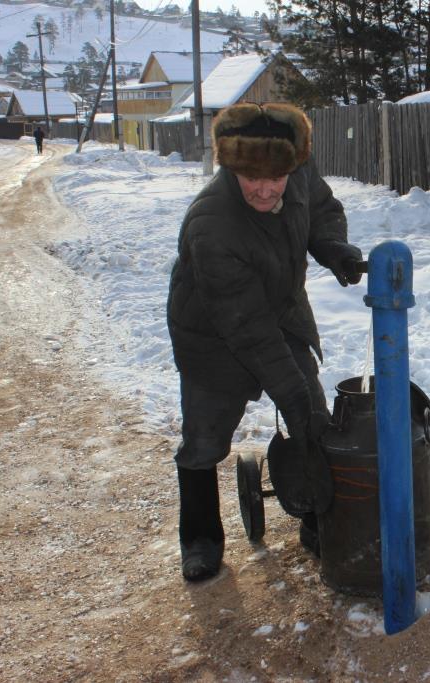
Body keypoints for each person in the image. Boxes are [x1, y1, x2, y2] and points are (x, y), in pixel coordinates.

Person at [166, 102, 364, 582]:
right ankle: (200, 539)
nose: (262, 187)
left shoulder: (294, 169)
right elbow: (247, 329)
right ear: (230, 166)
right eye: (248, 176)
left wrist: (333, 248)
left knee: (315, 421)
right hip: (214, 334)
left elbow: (319, 209)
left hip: (281, 313)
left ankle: (319, 522)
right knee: (204, 441)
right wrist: (290, 395)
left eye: (274, 177)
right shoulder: (212, 223)